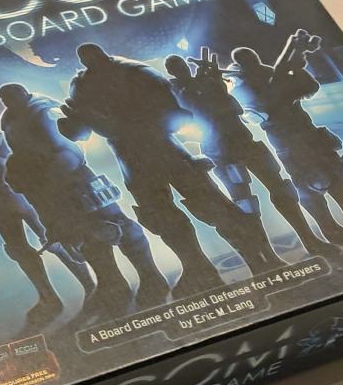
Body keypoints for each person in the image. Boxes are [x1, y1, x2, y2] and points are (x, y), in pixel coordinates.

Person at [59, 43, 284, 298]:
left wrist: (131, 125)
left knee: (210, 204)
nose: (91, 62)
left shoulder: (134, 72)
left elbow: (174, 113)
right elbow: (78, 129)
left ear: (102, 55)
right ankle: (201, 270)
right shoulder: (83, 85)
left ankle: (259, 261)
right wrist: (77, 123)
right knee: (162, 218)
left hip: (162, 148)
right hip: (131, 157)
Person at [0, 83, 170, 317]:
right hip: (49, 186)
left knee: (118, 225)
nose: (7, 100)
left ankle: (151, 277)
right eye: (4, 98)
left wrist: (55, 176)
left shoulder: (43, 109)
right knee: (82, 237)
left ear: (23, 93)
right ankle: (113, 285)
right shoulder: (9, 119)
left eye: (11, 95)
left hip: (74, 177)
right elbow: (21, 153)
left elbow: (68, 147)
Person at [229, 30, 343, 244]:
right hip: (288, 140)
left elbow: (308, 88)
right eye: (249, 62)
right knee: (311, 183)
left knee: (338, 174)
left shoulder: (270, 73)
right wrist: (286, 63)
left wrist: (296, 64)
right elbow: (266, 104)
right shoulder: (241, 89)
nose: (255, 65)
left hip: (307, 131)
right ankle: (329, 229)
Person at [165, 49, 334, 258]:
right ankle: (269, 256)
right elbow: (195, 108)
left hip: (243, 141)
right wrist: (203, 82)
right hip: (221, 151)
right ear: (173, 72)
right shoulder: (177, 91)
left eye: (182, 66)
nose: (183, 70)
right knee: (245, 204)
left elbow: (226, 102)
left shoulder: (203, 82)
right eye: (177, 68)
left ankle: (310, 240)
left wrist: (212, 79)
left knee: (281, 188)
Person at [0, 106, 96, 325]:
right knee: (18, 249)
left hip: (21, 193)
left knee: (55, 239)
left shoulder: (0, 136)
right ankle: (48, 297)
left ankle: (90, 285)